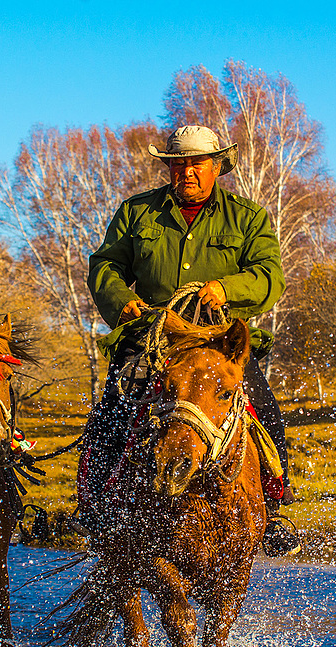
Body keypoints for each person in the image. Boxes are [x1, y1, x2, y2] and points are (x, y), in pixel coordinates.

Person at [76, 124, 300, 556]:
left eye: (197, 164)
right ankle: (95, 511)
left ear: (217, 167)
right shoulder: (135, 213)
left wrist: (226, 289)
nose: (187, 173)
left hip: (219, 343)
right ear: (169, 169)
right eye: (178, 165)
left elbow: (270, 276)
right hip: (149, 340)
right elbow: (104, 266)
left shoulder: (248, 217)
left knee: (268, 413)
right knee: (109, 419)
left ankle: (273, 510)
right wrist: (120, 299)